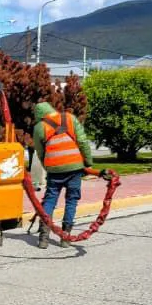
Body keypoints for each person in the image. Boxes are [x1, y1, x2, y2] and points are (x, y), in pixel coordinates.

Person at [32, 100, 92, 249]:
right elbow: (83, 141)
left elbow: (40, 152)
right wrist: (88, 162)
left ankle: (43, 238)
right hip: (75, 168)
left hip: (54, 170)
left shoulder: (39, 127)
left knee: (50, 200)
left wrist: (48, 166)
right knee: (71, 200)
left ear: (40, 115)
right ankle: (65, 238)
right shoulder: (70, 118)